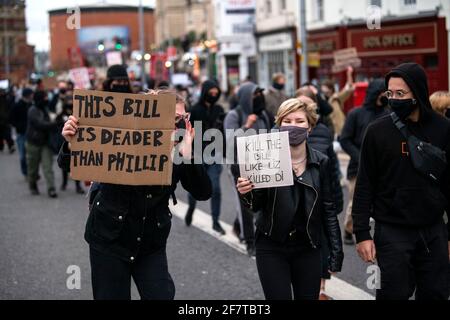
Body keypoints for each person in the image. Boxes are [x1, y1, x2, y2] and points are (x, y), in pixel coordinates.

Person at [58, 64, 212, 300]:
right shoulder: (126, 137)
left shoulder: (181, 150)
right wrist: (71, 143)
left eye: (182, 118)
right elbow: (70, 165)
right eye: (171, 118)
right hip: (109, 238)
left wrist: (188, 156)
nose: (176, 124)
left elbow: (203, 192)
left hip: (150, 242)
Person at [353, 63, 450, 300]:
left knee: (436, 294)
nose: (394, 99)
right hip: (392, 232)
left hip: (434, 230)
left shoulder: (443, 128)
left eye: (401, 94)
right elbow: (364, 184)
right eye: (390, 93)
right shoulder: (376, 131)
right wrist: (362, 233)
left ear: (417, 93)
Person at [237, 98, 344, 299]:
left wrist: (336, 251)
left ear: (310, 127)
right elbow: (256, 205)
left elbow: (328, 210)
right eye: (287, 121)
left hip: (308, 247)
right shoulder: (266, 158)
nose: (293, 126)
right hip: (271, 245)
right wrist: (246, 192)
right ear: (278, 125)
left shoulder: (322, 162)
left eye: (299, 121)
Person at [297, 92, 344, 299]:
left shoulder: (323, 131)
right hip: (294, 206)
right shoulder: (276, 138)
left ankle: (321, 289)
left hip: (318, 200)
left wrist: (337, 198)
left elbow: (331, 168)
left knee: (320, 246)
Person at [339, 79, 390, 245]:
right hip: (358, 167)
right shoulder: (355, 114)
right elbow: (345, 139)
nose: (386, 96)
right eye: (384, 93)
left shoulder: (388, 113)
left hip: (382, 166)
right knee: (356, 201)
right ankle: (349, 229)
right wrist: (360, 156)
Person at [224, 82, 273, 256]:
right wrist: (246, 126)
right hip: (239, 165)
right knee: (245, 205)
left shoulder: (264, 115)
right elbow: (230, 142)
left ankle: (240, 227)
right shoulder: (234, 115)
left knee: (261, 202)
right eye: (255, 95)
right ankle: (250, 242)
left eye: (260, 94)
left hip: (261, 163)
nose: (259, 98)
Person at [184, 80, 226, 234]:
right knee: (194, 187)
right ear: (205, 92)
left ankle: (215, 221)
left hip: (214, 154)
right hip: (198, 154)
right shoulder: (195, 110)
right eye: (211, 92)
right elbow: (188, 131)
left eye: (216, 93)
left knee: (216, 188)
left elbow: (224, 131)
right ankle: (191, 208)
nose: (214, 95)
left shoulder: (220, 109)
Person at [26, 90, 60, 198]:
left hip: (46, 143)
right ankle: (33, 185)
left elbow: (51, 116)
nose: (46, 99)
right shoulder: (32, 110)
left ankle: (51, 188)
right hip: (33, 143)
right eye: (44, 97)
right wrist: (55, 124)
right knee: (33, 168)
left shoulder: (45, 109)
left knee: (47, 167)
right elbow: (40, 124)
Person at [320, 66, 355, 137]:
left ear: (330, 88)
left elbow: (348, 87)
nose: (323, 89)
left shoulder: (336, 97)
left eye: (325, 86)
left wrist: (349, 73)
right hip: (328, 132)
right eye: (322, 87)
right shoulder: (321, 100)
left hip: (340, 131)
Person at [10, 88, 34, 177]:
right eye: (31, 94)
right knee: (23, 155)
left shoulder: (31, 105)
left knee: (32, 155)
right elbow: (11, 119)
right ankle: (25, 172)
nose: (32, 96)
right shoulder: (17, 105)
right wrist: (19, 126)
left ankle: (32, 172)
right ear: (27, 95)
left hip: (31, 134)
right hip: (21, 134)